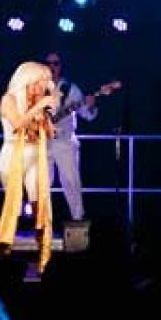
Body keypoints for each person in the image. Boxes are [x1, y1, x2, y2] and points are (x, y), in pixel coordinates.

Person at [0, 61, 59, 270]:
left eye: (45, 83)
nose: (42, 87)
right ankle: (4, 254)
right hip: (13, 154)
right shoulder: (9, 99)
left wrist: (46, 112)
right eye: (39, 82)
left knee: (40, 203)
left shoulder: (39, 104)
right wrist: (37, 108)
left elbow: (51, 133)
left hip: (35, 157)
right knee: (13, 205)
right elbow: (17, 124)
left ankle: (44, 254)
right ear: (27, 80)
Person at [44, 52, 98, 222]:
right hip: (41, 142)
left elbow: (87, 115)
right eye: (49, 63)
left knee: (70, 181)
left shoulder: (71, 89)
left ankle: (78, 220)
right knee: (40, 184)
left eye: (56, 63)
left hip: (64, 141)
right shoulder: (35, 89)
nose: (52, 67)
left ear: (61, 66)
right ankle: (42, 223)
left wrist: (90, 105)